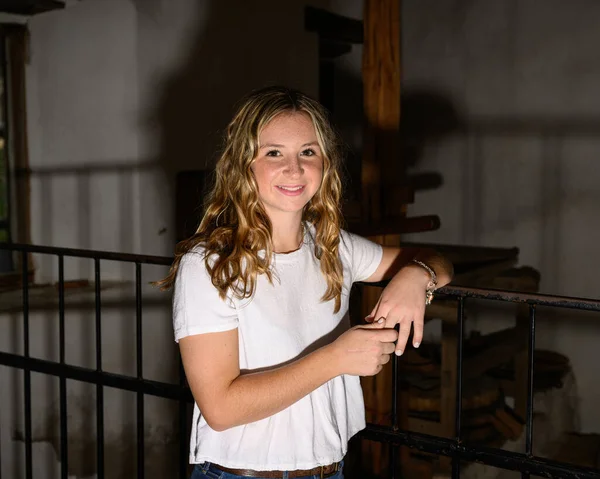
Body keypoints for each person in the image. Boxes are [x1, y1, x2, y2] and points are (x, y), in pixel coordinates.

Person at [158, 86, 453, 479]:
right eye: (274, 152)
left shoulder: (333, 247)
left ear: (325, 163)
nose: (294, 168)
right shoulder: (211, 264)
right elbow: (221, 409)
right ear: (243, 164)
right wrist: (336, 358)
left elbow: (441, 262)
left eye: (307, 152)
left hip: (329, 471)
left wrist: (418, 275)